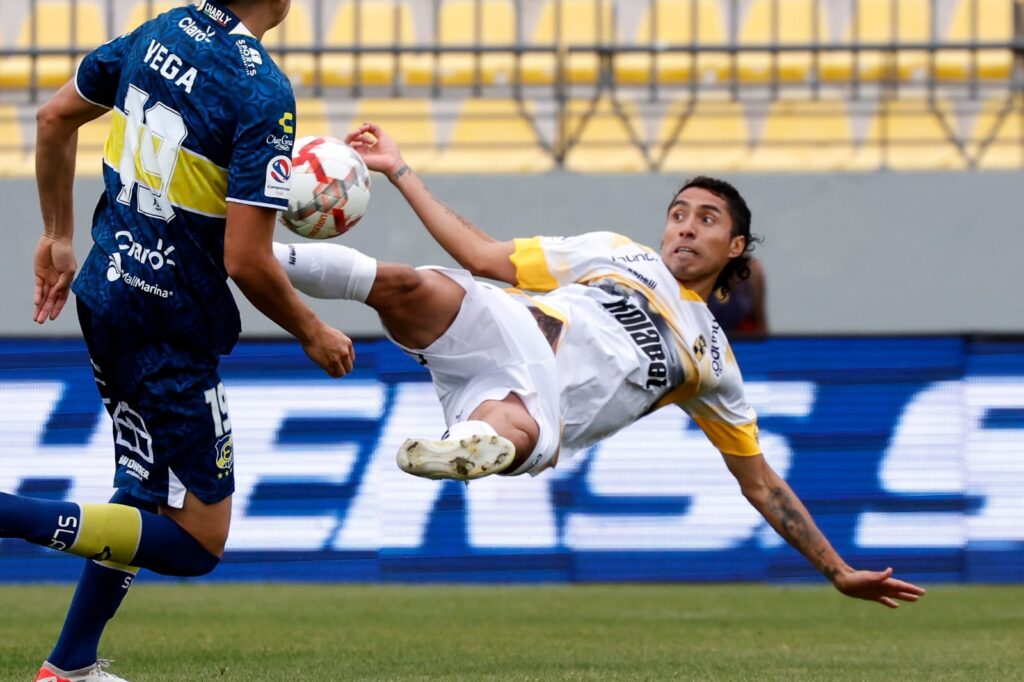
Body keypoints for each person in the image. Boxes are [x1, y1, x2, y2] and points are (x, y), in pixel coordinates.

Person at [272, 122, 926, 610]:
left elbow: (761, 485)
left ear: (736, 246)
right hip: (506, 326)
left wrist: (837, 570)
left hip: (541, 399)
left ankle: (469, 446)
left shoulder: (714, 363)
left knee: (514, 425)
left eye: (706, 219)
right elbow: (482, 255)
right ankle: (246, 256)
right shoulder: (618, 254)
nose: (685, 229)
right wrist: (400, 169)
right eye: (678, 215)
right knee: (407, 285)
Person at [3, 1, 353, 680]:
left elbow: (53, 118)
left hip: (106, 292)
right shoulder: (262, 90)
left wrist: (57, 233)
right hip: (170, 323)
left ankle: (69, 665)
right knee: (198, 541)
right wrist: (312, 331)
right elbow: (247, 260)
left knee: (141, 490)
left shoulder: (161, 29)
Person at [707, 257, 768, 337]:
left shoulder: (753, 271)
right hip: (709, 340)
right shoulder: (703, 268)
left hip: (743, 342)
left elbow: (760, 319)